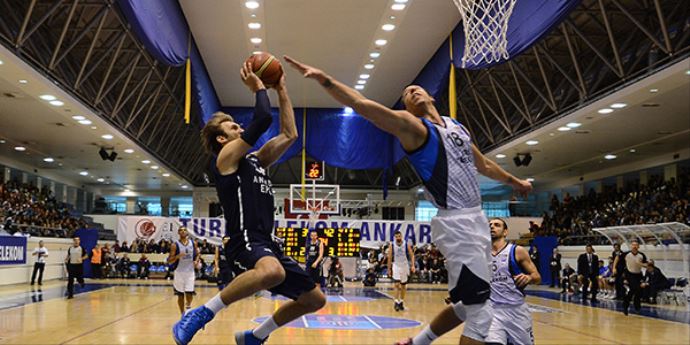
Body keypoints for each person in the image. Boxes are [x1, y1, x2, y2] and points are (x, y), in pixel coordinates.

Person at [285, 56, 532, 345]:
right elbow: (364, 106)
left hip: (475, 220)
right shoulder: (413, 128)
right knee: (481, 313)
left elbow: (485, 166)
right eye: (406, 94)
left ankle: (418, 342)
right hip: (458, 222)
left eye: (416, 88)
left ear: (431, 96)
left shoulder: (457, 128)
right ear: (406, 108)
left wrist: (517, 183)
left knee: (466, 305)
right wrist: (324, 79)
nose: (412, 91)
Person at [173, 65, 326, 345]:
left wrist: (281, 89)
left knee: (314, 300)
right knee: (272, 273)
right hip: (243, 239)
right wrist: (258, 87)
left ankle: (256, 336)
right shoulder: (226, 159)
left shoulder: (256, 160)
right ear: (222, 139)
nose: (239, 128)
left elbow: (290, 134)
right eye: (233, 127)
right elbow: (263, 118)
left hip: (266, 242)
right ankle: (201, 313)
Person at [485, 218, 540, 345]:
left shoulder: (517, 251)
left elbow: (537, 277)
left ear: (505, 232)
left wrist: (529, 278)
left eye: (497, 225)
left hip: (516, 311)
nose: (492, 227)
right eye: (490, 225)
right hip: (493, 311)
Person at [168, 226, 200, 315]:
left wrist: (196, 261)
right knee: (180, 295)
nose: (183, 231)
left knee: (189, 293)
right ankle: (182, 313)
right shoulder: (175, 245)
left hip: (190, 272)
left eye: (184, 230)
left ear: (187, 232)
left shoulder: (193, 243)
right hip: (179, 272)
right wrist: (177, 256)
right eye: (181, 230)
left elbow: (197, 254)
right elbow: (169, 260)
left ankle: (188, 307)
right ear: (178, 233)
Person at [614, 240, 647, 315]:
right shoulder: (626, 254)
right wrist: (614, 268)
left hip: (638, 274)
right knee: (633, 289)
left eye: (636, 245)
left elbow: (646, 265)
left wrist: (641, 264)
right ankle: (626, 306)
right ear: (631, 246)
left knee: (638, 291)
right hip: (629, 274)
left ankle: (636, 306)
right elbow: (617, 258)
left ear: (638, 247)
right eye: (633, 245)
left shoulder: (641, 255)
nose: (634, 246)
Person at [388, 230, 416, 311]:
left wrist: (413, 265)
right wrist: (389, 269)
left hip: (404, 266)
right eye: (396, 237)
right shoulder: (392, 245)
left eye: (399, 236)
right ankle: (396, 302)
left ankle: (401, 302)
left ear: (401, 236)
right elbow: (389, 257)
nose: (398, 238)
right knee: (396, 284)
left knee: (403, 285)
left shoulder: (406, 244)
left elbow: (412, 255)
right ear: (395, 237)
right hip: (396, 265)